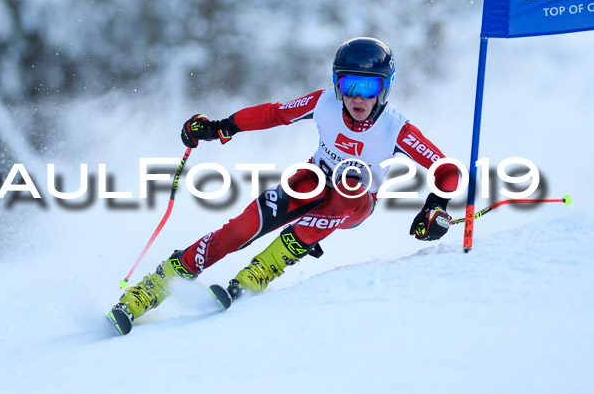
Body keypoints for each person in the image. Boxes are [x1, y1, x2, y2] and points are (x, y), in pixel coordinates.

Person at [111, 37, 459, 328]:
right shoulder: (323, 103)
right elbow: (275, 113)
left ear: (385, 87)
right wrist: (221, 127)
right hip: (314, 180)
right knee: (241, 229)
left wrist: (436, 206)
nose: (357, 98)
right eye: (348, 85)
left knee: (350, 189)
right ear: (337, 84)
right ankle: (151, 289)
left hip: (356, 201)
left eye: (369, 87)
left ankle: (262, 269)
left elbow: (446, 170)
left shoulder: (396, 129)